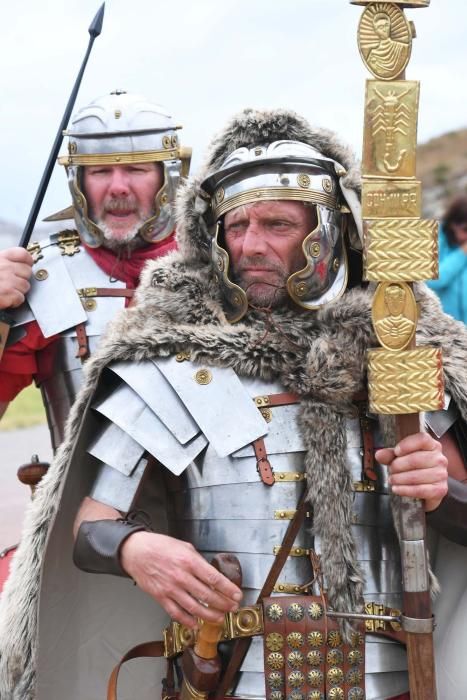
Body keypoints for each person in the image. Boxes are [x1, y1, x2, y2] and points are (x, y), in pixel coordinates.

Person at [1, 108, 466, 700]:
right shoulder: (166, 361)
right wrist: (138, 548)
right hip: (230, 677)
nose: (249, 245)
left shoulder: (400, 351)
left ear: (328, 230)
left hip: (391, 680)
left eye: (276, 224)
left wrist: (437, 495)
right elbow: (91, 528)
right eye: (236, 225)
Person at [0, 89, 190, 451]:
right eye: (101, 171)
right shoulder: (44, 280)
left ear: (169, 178)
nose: (118, 187)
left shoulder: (225, 271)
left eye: (136, 168)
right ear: (79, 183)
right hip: (81, 504)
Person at [427, 194, 467, 324]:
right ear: (453, 224)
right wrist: (462, 253)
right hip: (445, 329)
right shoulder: (434, 239)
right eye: (466, 229)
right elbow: (434, 279)